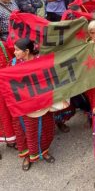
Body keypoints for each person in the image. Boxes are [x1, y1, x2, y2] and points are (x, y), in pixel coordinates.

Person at [11, 38, 55, 171]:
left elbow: (48, 79)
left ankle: (44, 151)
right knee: (24, 129)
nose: (14, 52)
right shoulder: (13, 63)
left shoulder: (40, 62)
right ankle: (27, 156)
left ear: (27, 51)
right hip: (22, 105)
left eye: (17, 50)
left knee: (44, 128)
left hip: (40, 103)